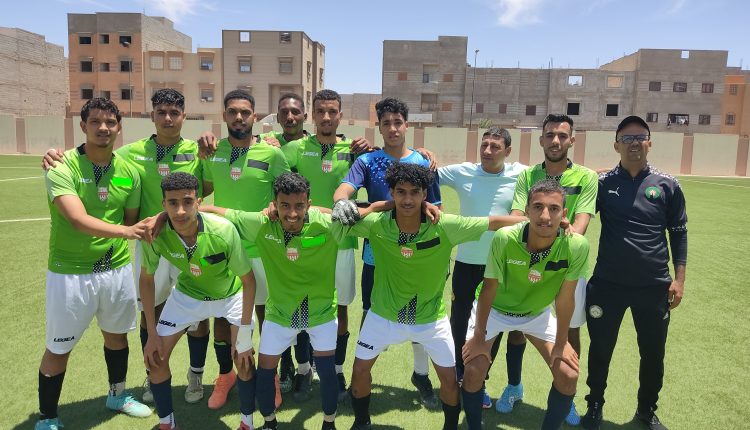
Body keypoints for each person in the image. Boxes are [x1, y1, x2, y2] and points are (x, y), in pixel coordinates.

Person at [42, 89, 211, 404]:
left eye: (174, 113)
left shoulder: (198, 151)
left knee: (198, 315)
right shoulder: (131, 154)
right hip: (150, 243)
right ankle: (152, 376)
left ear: (184, 117)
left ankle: (196, 375)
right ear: (151, 116)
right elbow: (100, 159)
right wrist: (55, 153)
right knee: (151, 313)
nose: (168, 118)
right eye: (161, 112)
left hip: (190, 242)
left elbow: (210, 185)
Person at [333, 163, 525, 430]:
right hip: (383, 315)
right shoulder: (376, 225)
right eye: (401, 192)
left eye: (415, 192)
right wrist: (373, 206)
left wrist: (540, 223)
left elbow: (493, 222)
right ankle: (362, 422)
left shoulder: (444, 225)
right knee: (359, 372)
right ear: (392, 193)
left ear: (425, 194)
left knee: (449, 380)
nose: (408, 199)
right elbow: (330, 217)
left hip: (431, 319)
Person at [36, 98, 152, 430]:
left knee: (117, 337)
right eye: (95, 122)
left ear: (119, 127)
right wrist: (128, 232)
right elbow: (77, 219)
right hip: (70, 274)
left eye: (110, 122)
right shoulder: (62, 166)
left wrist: (128, 229)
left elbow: (129, 216)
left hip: (116, 269)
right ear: (83, 126)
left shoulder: (129, 172)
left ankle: (117, 395)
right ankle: (48, 417)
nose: (103, 128)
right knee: (58, 348)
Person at [332, 97, 442, 408]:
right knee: (371, 316)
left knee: (421, 318)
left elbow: (437, 208)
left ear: (407, 125)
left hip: (417, 259)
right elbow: (344, 190)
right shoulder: (368, 161)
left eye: (398, 122)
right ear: (379, 127)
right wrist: (342, 202)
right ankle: (360, 379)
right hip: (376, 257)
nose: (392, 128)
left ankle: (421, 375)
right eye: (386, 123)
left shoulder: (424, 163)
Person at [581, 116, 687, 430]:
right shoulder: (602, 184)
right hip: (607, 285)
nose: (634, 143)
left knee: (653, 353)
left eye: (640, 137)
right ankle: (594, 406)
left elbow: (678, 233)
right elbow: (578, 211)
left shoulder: (668, 185)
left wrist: (679, 280)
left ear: (649, 143)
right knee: (600, 349)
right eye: (627, 138)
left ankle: (646, 410)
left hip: (653, 287)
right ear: (616, 145)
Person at [461, 179, 589, 430]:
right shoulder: (505, 238)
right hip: (495, 311)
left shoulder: (576, 245)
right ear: (527, 210)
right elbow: (489, 289)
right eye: (538, 207)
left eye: (553, 209)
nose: (545, 216)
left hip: (536, 314)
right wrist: (479, 337)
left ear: (564, 213)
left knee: (568, 375)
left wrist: (561, 343)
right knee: (474, 370)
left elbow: (565, 298)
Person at [499, 114, 597, 425]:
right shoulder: (528, 176)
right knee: (517, 325)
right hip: (528, 260)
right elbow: (517, 216)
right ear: (541, 140)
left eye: (562, 136)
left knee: (571, 331)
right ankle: (514, 386)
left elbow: (580, 224)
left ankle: (567, 397)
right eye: (550, 135)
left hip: (567, 264)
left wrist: (555, 238)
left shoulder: (586, 177)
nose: (556, 141)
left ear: (572, 140)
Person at [141, 172, 256, 430]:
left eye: (187, 202)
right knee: (156, 359)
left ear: (199, 202)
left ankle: (247, 423)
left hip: (230, 296)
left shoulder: (223, 231)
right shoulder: (155, 233)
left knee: (244, 359)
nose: (180, 211)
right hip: (188, 295)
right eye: (172, 203)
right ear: (163, 204)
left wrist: (245, 334)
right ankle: (167, 424)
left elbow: (248, 281)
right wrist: (151, 334)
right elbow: (146, 280)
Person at [200, 89, 290, 408]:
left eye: (245, 112)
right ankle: (226, 375)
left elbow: (287, 192)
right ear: (224, 115)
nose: (239, 117)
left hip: (262, 249)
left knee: (266, 315)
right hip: (222, 249)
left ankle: (269, 377)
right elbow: (202, 189)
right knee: (223, 317)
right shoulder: (213, 152)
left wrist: (275, 205)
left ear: (255, 116)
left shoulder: (272, 154)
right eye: (232, 112)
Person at [280, 89, 367, 401]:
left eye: (332, 111)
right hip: (303, 242)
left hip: (341, 242)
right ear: (312, 115)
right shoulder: (294, 149)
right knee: (301, 305)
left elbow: (384, 163)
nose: (326, 117)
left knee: (340, 307)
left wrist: (424, 152)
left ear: (340, 115)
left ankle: (337, 369)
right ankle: (304, 369)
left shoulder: (354, 150)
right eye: (321, 111)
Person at [437, 126, 526, 409]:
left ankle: (480, 382)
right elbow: (426, 173)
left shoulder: (522, 174)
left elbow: (558, 175)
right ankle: (458, 377)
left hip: (498, 266)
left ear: (508, 151)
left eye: (495, 147)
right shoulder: (463, 171)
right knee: (459, 324)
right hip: (465, 263)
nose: (487, 151)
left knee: (489, 327)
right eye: (484, 145)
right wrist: (424, 154)